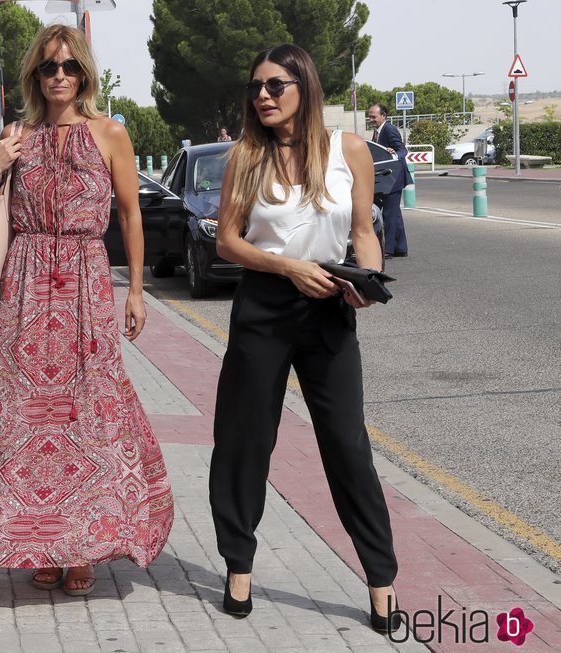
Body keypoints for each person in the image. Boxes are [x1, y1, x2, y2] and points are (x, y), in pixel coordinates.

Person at [0, 24, 174, 596]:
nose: (59, 76)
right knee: (21, 413)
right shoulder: (17, 134)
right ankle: (39, 542)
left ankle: (83, 544)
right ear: (34, 75)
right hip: (24, 283)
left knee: (87, 411)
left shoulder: (110, 133)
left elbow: (129, 215)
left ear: (85, 74)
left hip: (86, 281)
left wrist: (137, 290)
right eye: (49, 67)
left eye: (70, 66)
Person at [209, 44, 401, 634]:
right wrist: (287, 268)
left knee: (347, 445)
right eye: (255, 87)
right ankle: (238, 569)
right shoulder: (246, 155)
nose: (262, 96)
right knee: (244, 441)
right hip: (264, 307)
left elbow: (366, 233)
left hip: (328, 310)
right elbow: (227, 241)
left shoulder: (350, 152)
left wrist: (366, 280)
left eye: (275, 85)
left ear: (305, 87)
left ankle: (381, 581)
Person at [368, 104, 409, 258]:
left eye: (374, 116)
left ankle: (388, 250)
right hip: (386, 177)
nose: (371, 119)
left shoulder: (389, 129)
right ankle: (400, 248)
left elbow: (402, 150)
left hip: (394, 177)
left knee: (390, 214)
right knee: (395, 214)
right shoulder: (377, 131)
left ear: (383, 116)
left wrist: (394, 153)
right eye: (370, 116)